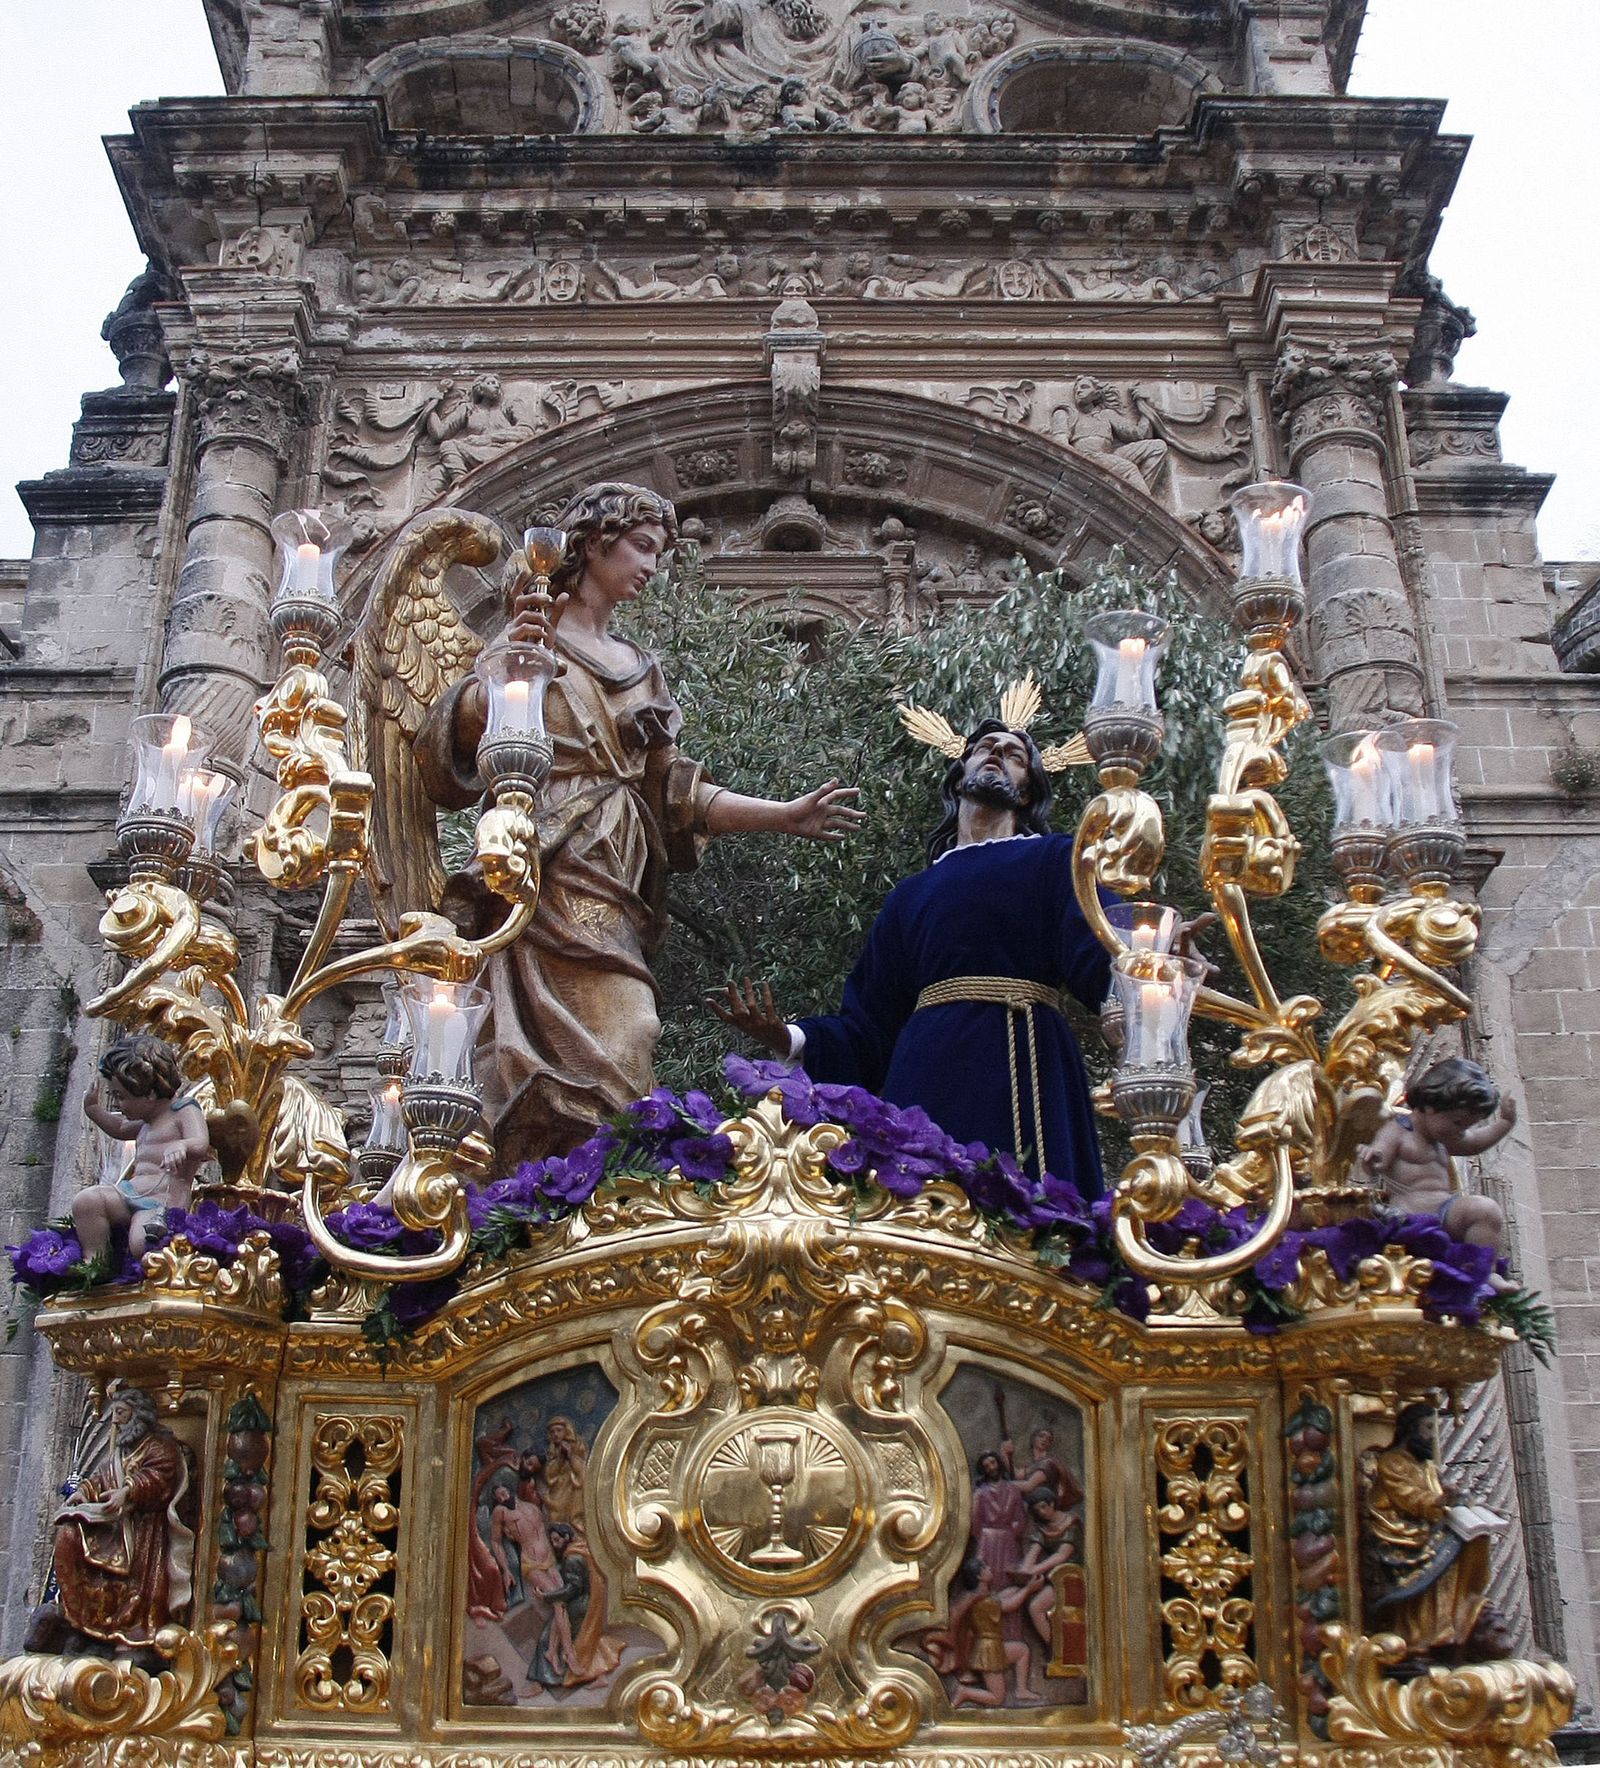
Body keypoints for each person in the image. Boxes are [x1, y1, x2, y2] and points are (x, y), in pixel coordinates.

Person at [416, 482, 862, 1163]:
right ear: (594, 543)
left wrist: (783, 816)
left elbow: (677, 794)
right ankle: (549, 1187)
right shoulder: (529, 632)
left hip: (619, 870)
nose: (652, 566)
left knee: (627, 1032)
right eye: (642, 547)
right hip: (540, 860)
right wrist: (508, 677)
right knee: (605, 1034)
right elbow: (453, 746)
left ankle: (584, 1188)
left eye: (658, 552)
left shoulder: (641, 669)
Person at [712, 718, 1110, 1193]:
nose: (996, 754)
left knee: (1026, 1204)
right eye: (985, 747)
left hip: (1020, 1057)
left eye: (1014, 755)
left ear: (1026, 793)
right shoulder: (910, 896)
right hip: (924, 1071)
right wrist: (789, 1036)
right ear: (959, 776)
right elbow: (870, 1025)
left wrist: (1148, 965)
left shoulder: (1056, 859)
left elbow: (1102, 948)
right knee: (916, 1202)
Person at [1361, 1403, 1509, 1671]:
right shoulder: (1393, 1462)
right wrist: (1438, 1501)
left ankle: (1449, 1625)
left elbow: (1438, 1494)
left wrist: (1466, 1503)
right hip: (1399, 1532)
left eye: (1435, 1429)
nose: (1432, 1436)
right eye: (1428, 1428)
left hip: (1424, 1527)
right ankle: (1419, 1636)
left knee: (1469, 1541)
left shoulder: (1427, 1466)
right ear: (1410, 1430)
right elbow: (1408, 1498)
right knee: (1446, 1551)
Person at [51, 1385, 195, 1652]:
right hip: (114, 1526)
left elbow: (160, 1476)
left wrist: (128, 1491)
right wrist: (84, 1493)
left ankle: (135, 1630)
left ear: (138, 1415)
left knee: (138, 1588)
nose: (115, 1420)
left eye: (121, 1413)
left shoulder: (159, 1447)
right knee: (69, 1535)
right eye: (114, 1413)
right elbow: (101, 1477)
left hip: (145, 1531)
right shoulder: (121, 1451)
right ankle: (90, 1623)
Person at [1358, 1057, 1515, 1276]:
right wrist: (1372, 1157)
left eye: (1466, 1126)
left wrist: (1505, 1123)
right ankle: (1483, 1275)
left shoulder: (1442, 1139)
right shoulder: (1398, 1130)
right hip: (1412, 1214)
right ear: (1431, 1104)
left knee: (1485, 1212)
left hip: (1445, 1209)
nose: (1460, 1131)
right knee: (1484, 1208)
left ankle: (1485, 1273)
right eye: (1457, 1122)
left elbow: (1474, 1142)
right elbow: (1379, 1159)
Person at [77, 1035, 211, 1260]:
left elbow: (200, 1142)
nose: (117, 1104)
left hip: (160, 1201)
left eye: (121, 1096)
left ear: (150, 1093)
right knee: (87, 1201)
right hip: (130, 1192)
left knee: (142, 1243)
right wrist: (94, 1111)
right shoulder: (146, 1123)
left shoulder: (183, 1110)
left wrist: (182, 1145)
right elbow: (120, 1127)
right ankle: (95, 1261)